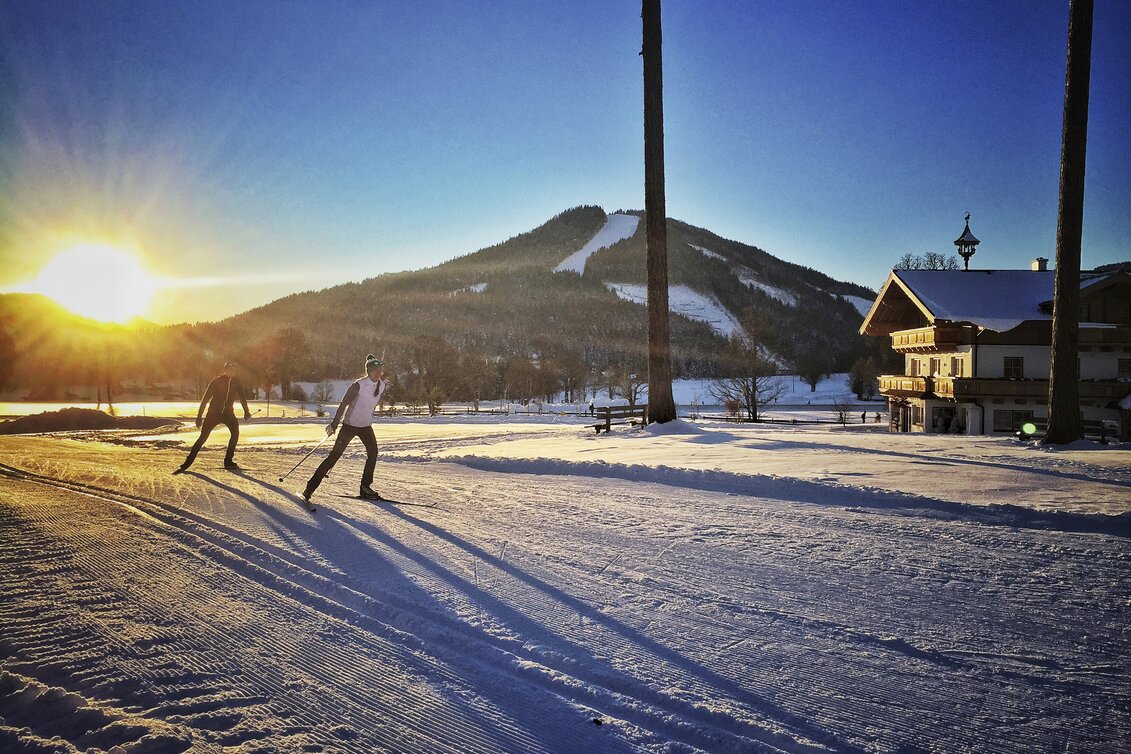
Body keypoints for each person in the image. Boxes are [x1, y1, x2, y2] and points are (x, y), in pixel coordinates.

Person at [303, 354, 390, 502]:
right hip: (349, 426)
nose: (378, 373)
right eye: (375, 370)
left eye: (380, 370)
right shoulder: (358, 385)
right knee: (333, 457)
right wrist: (334, 423)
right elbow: (344, 404)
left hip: (366, 426)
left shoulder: (381, 386)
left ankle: (365, 487)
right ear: (368, 371)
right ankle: (309, 488)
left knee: (373, 453)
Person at [175, 360, 251, 473]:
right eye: (231, 370)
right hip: (213, 413)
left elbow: (242, 397)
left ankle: (228, 461)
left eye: (234, 370)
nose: (233, 372)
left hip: (228, 414)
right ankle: (187, 463)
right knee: (203, 438)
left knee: (235, 434)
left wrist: (246, 411)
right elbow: (205, 399)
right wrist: (199, 416)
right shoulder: (216, 381)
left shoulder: (237, 382)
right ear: (226, 370)